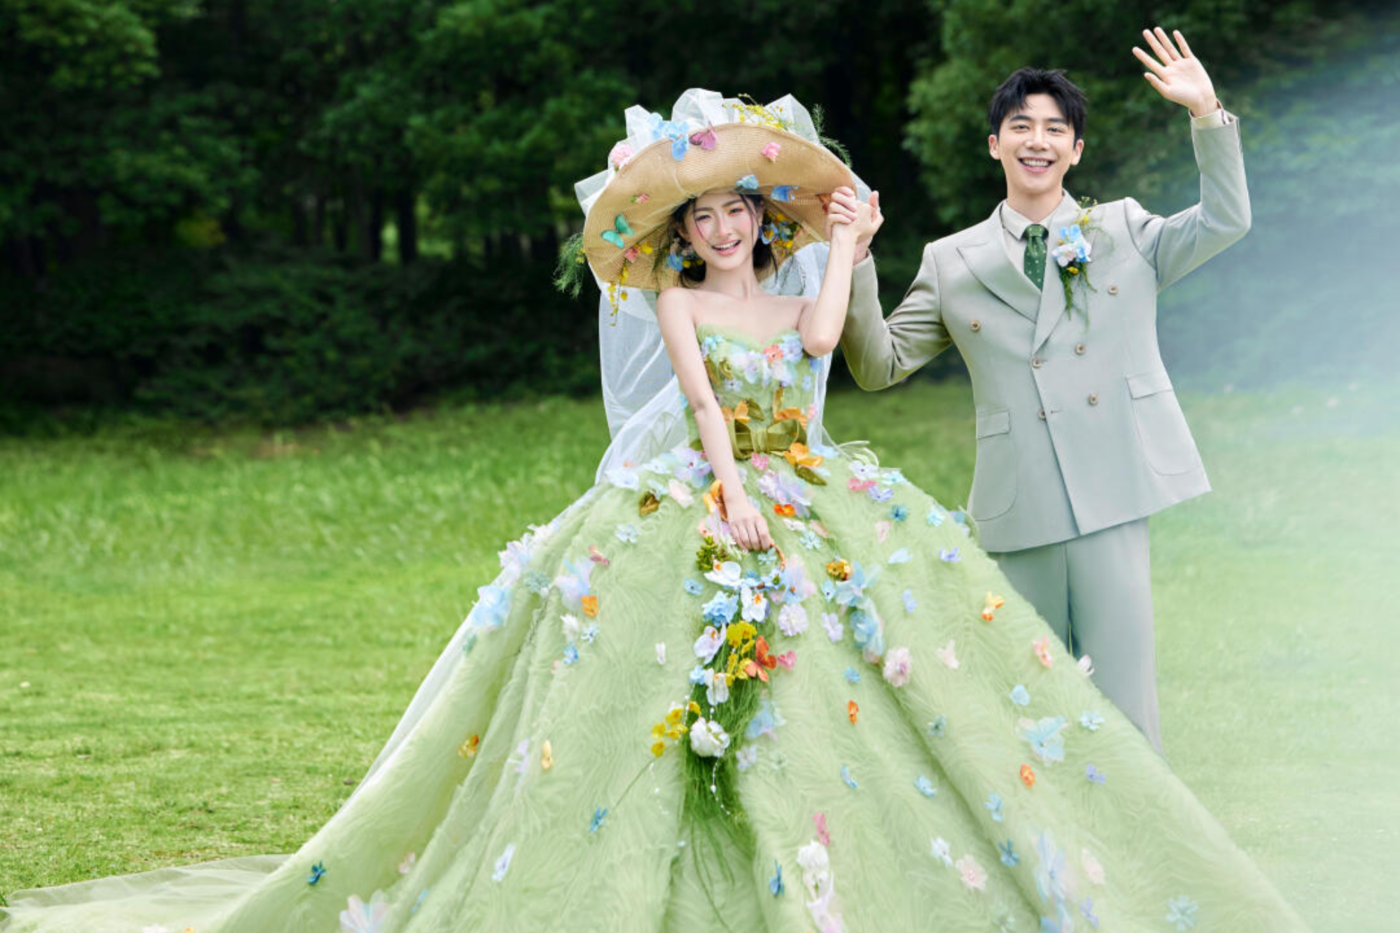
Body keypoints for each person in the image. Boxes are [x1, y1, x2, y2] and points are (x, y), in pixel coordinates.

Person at [1, 89, 1307, 933]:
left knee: (883, 676)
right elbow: (700, 410)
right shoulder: (678, 302)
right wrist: (731, 494)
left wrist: (850, 243)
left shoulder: (790, 290)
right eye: (709, 218)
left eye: (741, 212)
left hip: (816, 484)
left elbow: (827, 346)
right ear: (686, 234)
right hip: (717, 487)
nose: (727, 229)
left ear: (759, 223)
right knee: (660, 675)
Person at [839, 30, 1250, 754]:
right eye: (1021, 126)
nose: (1038, 140)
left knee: (1126, 707)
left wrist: (1206, 114)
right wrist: (855, 259)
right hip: (1016, 500)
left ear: (1076, 150)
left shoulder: (1123, 229)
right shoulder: (951, 261)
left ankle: (1137, 828)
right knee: (1023, 708)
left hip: (1113, 489)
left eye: (1055, 129)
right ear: (994, 144)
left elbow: (1226, 220)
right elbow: (879, 363)